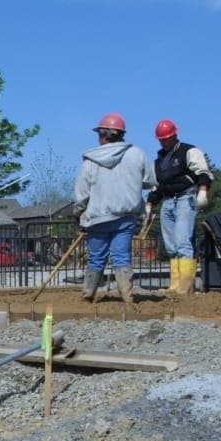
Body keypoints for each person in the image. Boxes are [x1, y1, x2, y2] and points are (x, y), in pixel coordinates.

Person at [72, 112, 155, 302]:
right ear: (121, 134)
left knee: (96, 257)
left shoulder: (91, 160)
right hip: (126, 216)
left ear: (102, 135)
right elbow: (149, 181)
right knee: (121, 256)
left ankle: (88, 295)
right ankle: (127, 296)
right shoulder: (137, 154)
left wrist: (78, 213)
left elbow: (82, 193)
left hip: (98, 217)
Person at [151, 119, 213, 295]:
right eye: (161, 139)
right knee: (171, 246)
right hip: (167, 201)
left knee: (182, 241)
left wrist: (203, 191)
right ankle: (175, 285)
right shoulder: (160, 160)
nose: (164, 142)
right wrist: (150, 202)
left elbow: (202, 172)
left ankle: (186, 286)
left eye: (166, 138)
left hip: (185, 199)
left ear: (174, 135)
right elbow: (158, 185)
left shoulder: (189, 152)